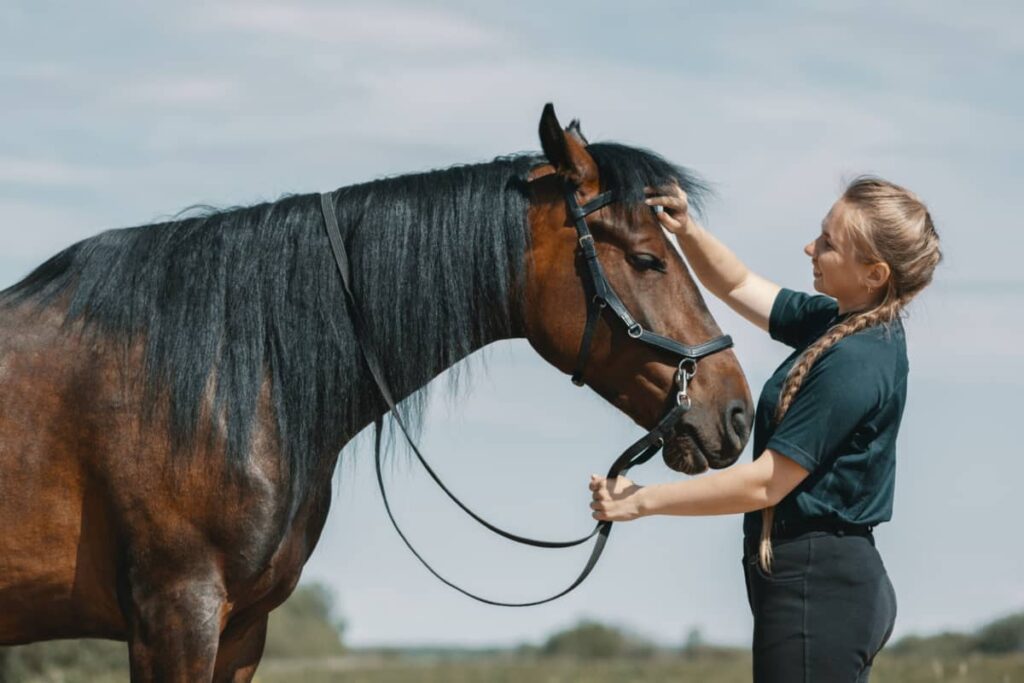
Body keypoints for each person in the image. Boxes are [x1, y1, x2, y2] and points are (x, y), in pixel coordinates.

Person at [588, 176, 942, 682]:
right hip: (816, 585)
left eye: (829, 242)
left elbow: (766, 482)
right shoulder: (840, 324)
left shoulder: (858, 361)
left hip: (818, 591)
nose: (810, 247)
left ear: (874, 273)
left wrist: (641, 501)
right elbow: (738, 285)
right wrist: (686, 231)